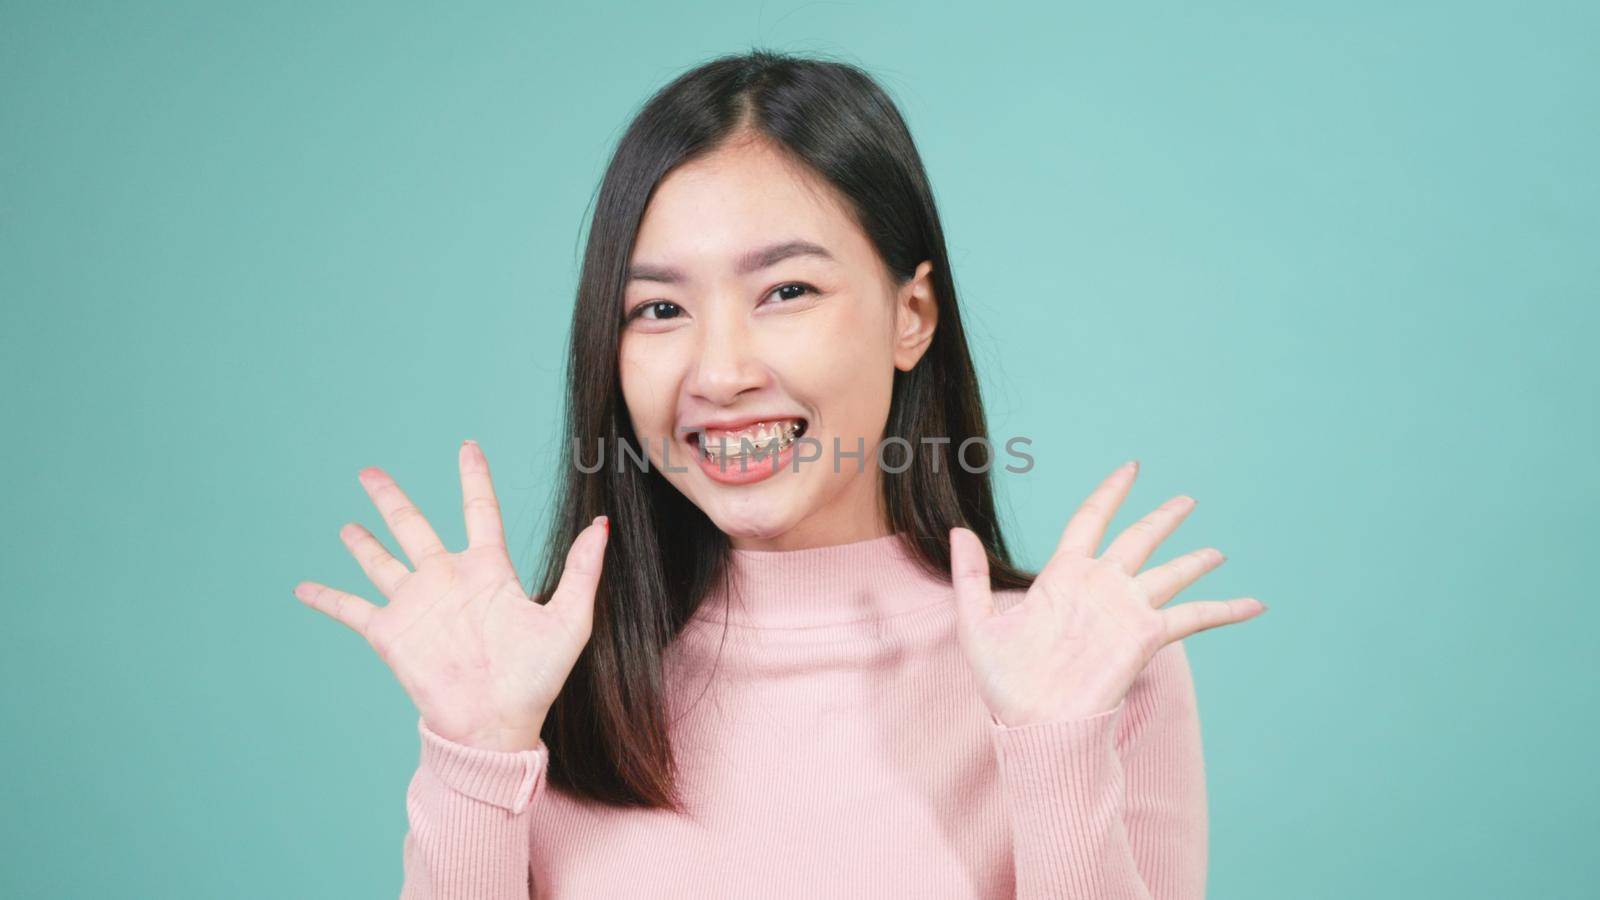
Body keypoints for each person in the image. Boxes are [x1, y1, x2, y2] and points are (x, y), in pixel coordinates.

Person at [293, 48, 1266, 899]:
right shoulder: (538, 677)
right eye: (658, 310)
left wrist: (1056, 751)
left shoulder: (1079, 666)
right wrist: (478, 752)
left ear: (910, 316)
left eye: (786, 290)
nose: (720, 373)